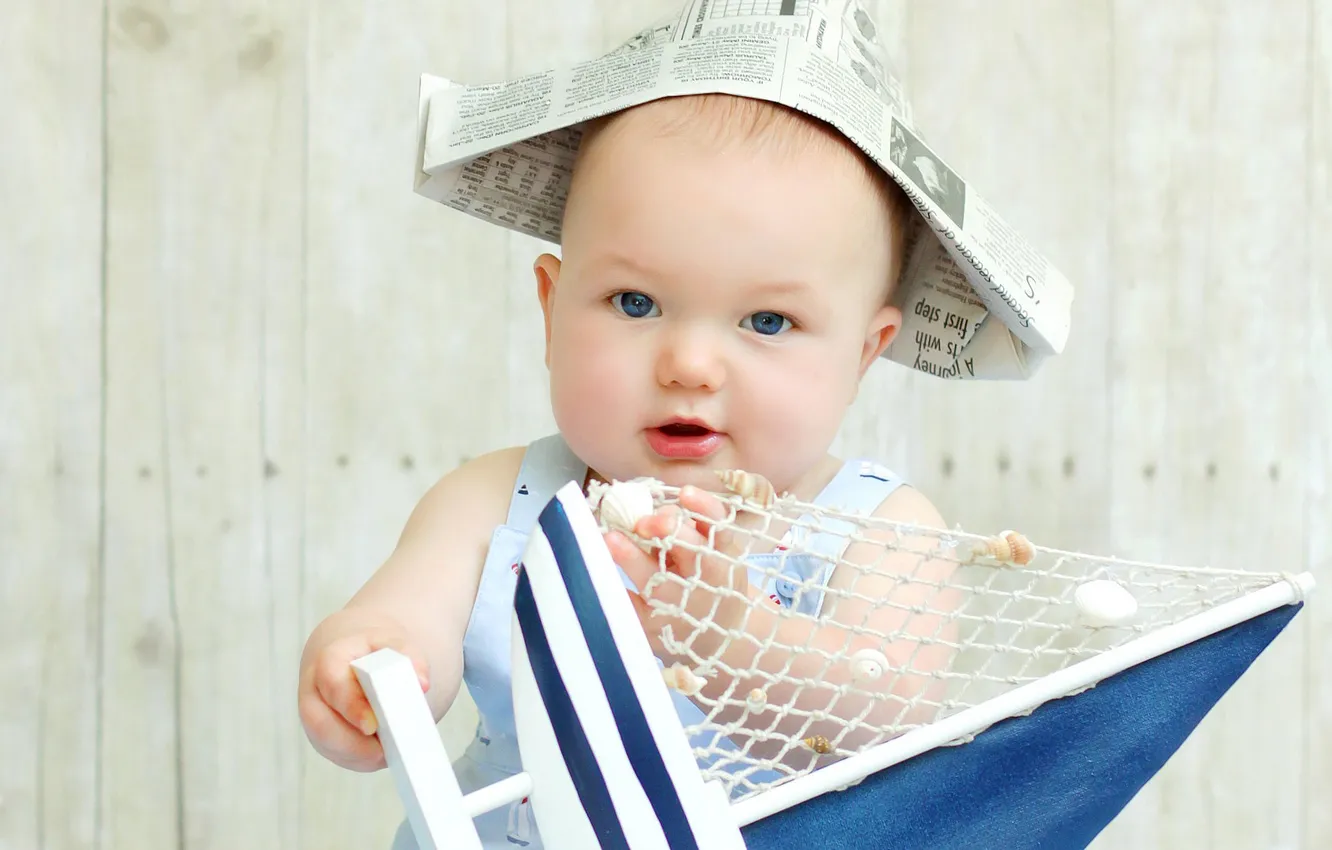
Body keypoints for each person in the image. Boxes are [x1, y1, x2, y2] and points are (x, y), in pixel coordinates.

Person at [298, 4, 1072, 847]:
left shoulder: (879, 531)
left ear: (862, 355)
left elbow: (886, 717)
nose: (690, 366)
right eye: (635, 303)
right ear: (552, 312)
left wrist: (734, 637)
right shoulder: (497, 498)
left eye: (768, 321)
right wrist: (370, 669)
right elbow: (409, 622)